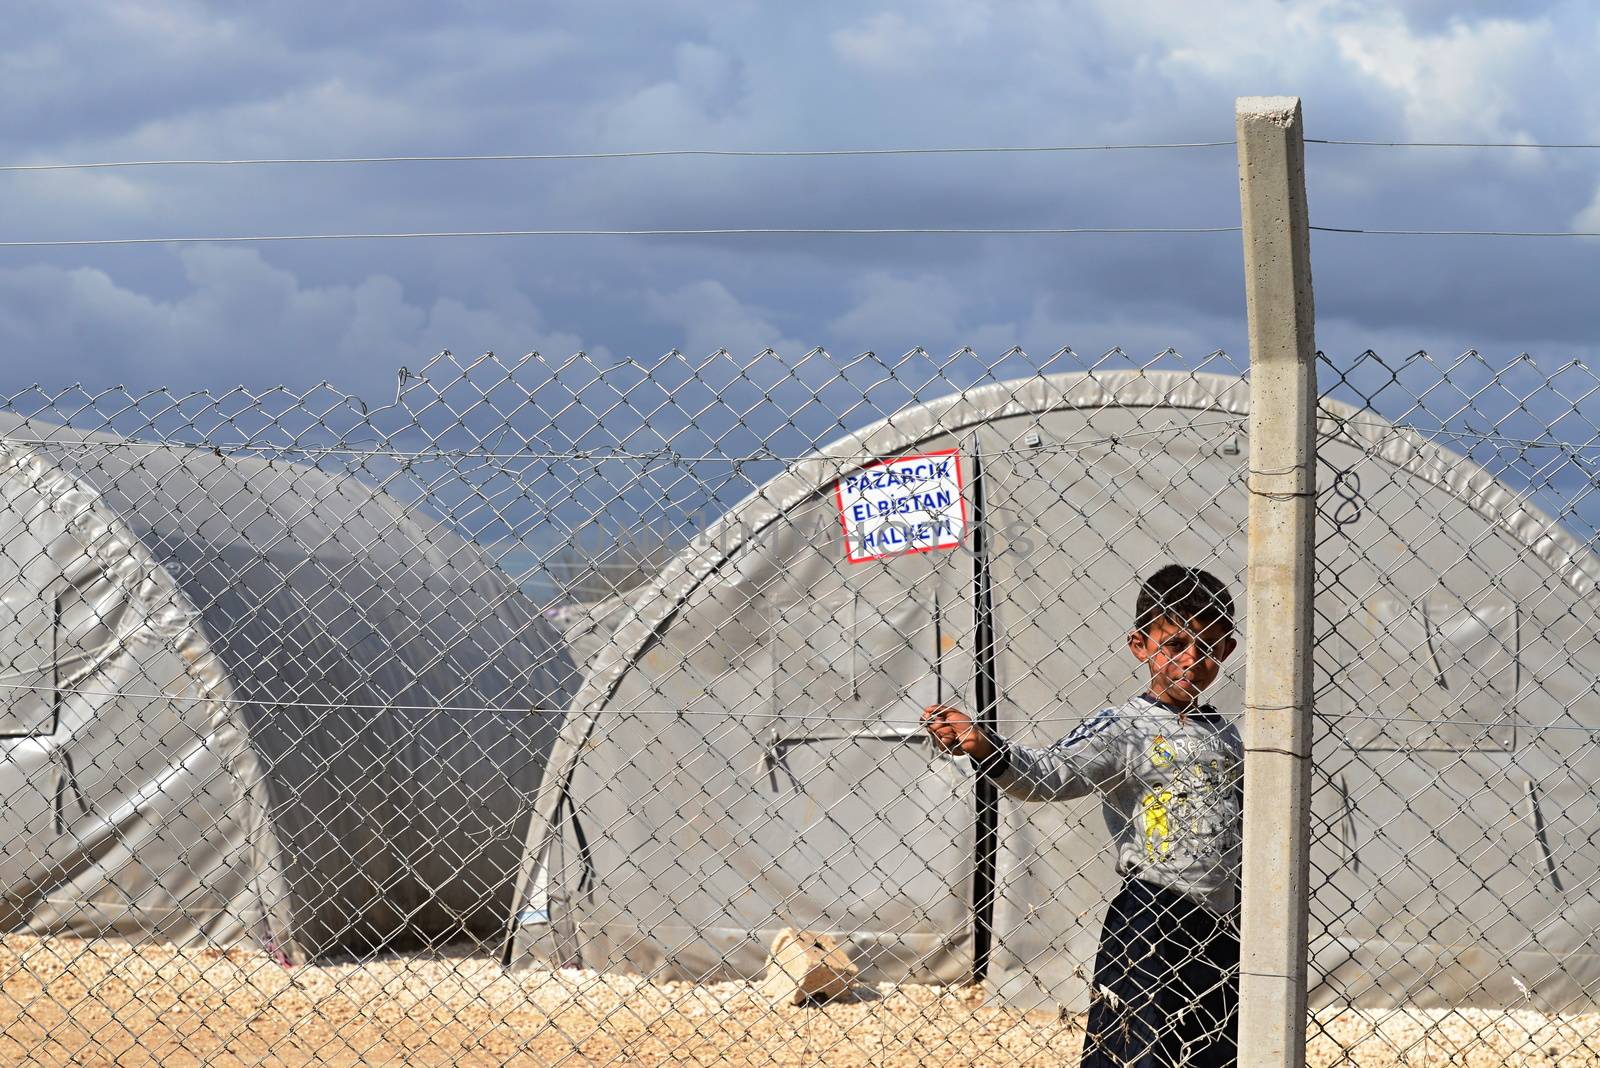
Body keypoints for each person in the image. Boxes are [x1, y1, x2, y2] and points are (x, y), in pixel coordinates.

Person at [923, 564, 1242, 1068]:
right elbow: (1053, 773)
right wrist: (987, 747)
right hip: (1154, 916)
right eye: (1176, 644)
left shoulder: (1228, 736)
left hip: (1222, 918)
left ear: (1226, 650)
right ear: (1141, 646)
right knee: (1140, 1050)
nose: (1192, 661)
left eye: (1209, 647)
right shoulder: (1123, 727)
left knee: (1214, 1046)